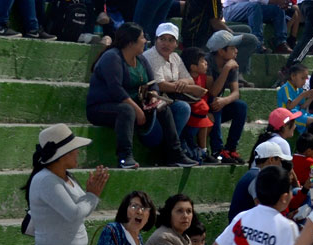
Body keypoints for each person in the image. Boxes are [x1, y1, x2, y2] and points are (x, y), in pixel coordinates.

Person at [87, 23, 197, 169]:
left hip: (132, 103)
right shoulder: (112, 57)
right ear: (131, 42)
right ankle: (125, 157)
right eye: (142, 38)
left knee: (162, 107)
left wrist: (154, 97)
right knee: (126, 110)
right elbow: (116, 91)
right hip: (102, 107)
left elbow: (153, 84)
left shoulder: (140, 59)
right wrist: (137, 110)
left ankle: (175, 153)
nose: (145, 41)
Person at [143, 23, 206, 154]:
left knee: (194, 108)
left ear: (176, 44)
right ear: (156, 40)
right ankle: (172, 149)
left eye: (171, 40)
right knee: (183, 108)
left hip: (170, 100)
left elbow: (189, 79)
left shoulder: (175, 57)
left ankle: (172, 148)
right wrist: (189, 88)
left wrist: (182, 82)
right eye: (162, 39)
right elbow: (160, 84)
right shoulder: (150, 56)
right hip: (153, 104)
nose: (166, 43)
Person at [180, 0, 261, 83]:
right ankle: (234, 77)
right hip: (201, 42)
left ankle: (238, 73)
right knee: (251, 40)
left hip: (200, 35)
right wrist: (232, 36)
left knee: (246, 29)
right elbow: (215, 23)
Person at [205, 30, 251, 164]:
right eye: (232, 48)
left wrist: (225, 100)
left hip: (217, 105)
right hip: (204, 107)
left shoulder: (232, 64)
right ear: (220, 51)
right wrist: (225, 70)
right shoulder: (207, 62)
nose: (236, 51)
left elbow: (236, 93)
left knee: (240, 106)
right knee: (215, 102)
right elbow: (211, 92)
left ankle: (230, 148)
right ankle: (217, 150)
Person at [180, 47, 219, 164]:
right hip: (190, 115)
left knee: (208, 118)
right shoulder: (186, 79)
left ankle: (203, 150)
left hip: (201, 112)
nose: (206, 63)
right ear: (193, 67)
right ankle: (192, 147)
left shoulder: (203, 77)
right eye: (202, 61)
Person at [224, 0, 293, 54]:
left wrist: (284, 3)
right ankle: (258, 44)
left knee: (278, 9)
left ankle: (281, 43)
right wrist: (277, 1)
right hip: (231, 9)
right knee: (254, 6)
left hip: (251, 7)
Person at [277, 63, 313, 133]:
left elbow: (302, 107)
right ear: (293, 76)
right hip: (290, 117)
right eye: (302, 78)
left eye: (306, 78)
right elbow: (290, 106)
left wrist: (312, 97)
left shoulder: (299, 89)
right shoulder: (285, 88)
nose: (305, 81)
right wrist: (302, 95)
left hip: (301, 113)